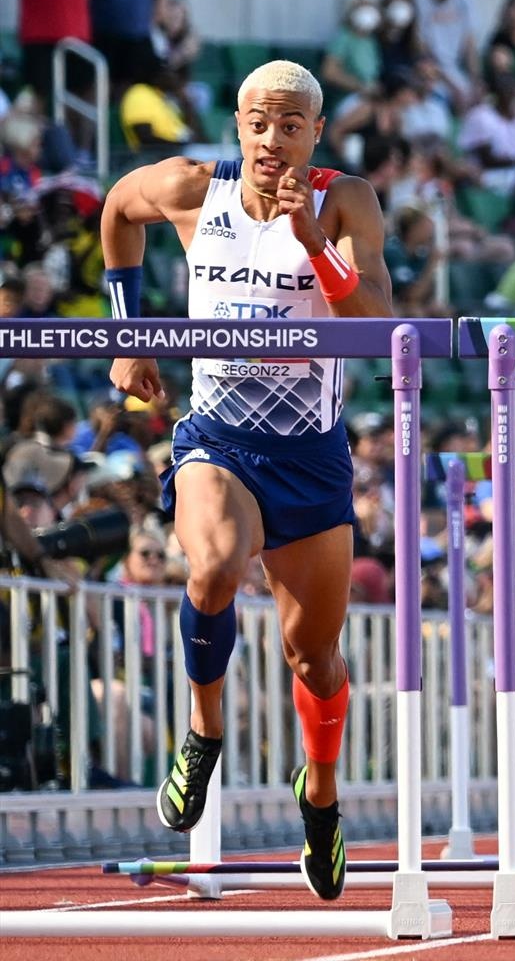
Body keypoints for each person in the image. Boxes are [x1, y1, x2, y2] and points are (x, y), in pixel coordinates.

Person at [100, 60, 392, 901]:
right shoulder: (194, 188)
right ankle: (203, 732)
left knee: (316, 659)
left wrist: (314, 250)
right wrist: (128, 332)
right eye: (259, 123)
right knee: (214, 565)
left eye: (290, 126)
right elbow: (118, 210)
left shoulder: (345, 201)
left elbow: (376, 319)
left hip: (309, 454)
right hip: (219, 438)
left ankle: (322, 799)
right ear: (238, 124)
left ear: (315, 134)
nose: (272, 141)